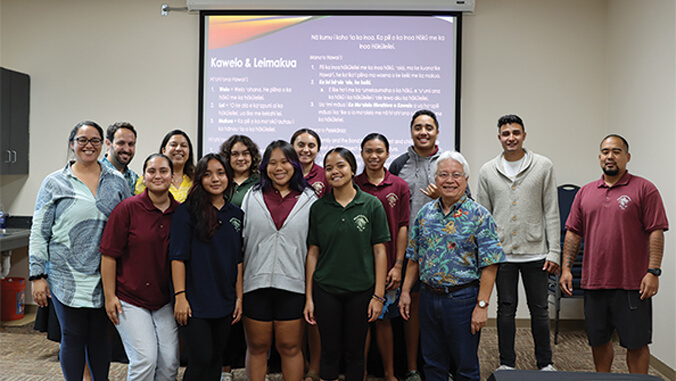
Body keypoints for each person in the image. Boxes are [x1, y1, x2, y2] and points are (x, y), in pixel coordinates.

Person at [29, 121, 129, 381]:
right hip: (65, 276)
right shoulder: (54, 183)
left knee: (99, 336)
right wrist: (37, 275)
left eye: (95, 140)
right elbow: (40, 230)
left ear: (103, 144)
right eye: (82, 140)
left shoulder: (117, 181)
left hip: (104, 275)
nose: (88, 146)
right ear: (72, 143)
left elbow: (128, 228)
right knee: (72, 336)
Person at [560, 134, 668, 374]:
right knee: (598, 341)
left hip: (632, 284)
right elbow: (573, 233)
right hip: (594, 282)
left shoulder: (645, 189)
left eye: (616, 151)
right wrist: (566, 268)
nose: (610, 156)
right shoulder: (585, 192)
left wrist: (653, 271)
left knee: (636, 343)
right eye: (606, 151)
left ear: (627, 157)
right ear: (600, 157)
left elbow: (656, 232)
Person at [399, 150, 505, 381]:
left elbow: (491, 264)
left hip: (463, 300)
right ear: (435, 179)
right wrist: (406, 291)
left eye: (456, 175)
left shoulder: (479, 215)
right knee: (432, 363)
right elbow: (414, 257)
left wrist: (482, 305)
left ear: (466, 179)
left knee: (465, 366)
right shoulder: (425, 214)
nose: (449, 180)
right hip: (428, 298)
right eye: (443, 175)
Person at [476, 114, 559, 372]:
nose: (511, 137)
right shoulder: (488, 170)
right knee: (506, 309)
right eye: (505, 133)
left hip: (536, 252)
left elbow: (551, 210)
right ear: (499, 137)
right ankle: (506, 363)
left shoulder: (543, 166)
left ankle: (545, 363)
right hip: (502, 255)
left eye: (515, 132)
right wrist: (484, 254)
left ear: (524, 135)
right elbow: (483, 216)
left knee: (540, 310)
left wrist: (554, 251)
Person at [304, 147, 389, 381]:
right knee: (329, 352)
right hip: (326, 289)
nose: (334, 171)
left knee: (355, 352)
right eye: (329, 168)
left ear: (352, 169)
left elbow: (380, 251)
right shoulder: (319, 208)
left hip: (361, 290)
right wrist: (309, 297)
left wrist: (378, 296)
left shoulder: (371, 205)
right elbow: (313, 253)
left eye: (340, 166)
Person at [241, 140, 318, 381]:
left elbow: (314, 249)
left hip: (294, 286)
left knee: (290, 347)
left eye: (285, 161)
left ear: (295, 164)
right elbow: (241, 243)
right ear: (264, 167)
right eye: (272, 162)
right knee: (257, 347)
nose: (279, 167)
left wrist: (309, 295)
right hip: (255, 284)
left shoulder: (310, 199)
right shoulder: (252, 196)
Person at [100, 153, 180, 381]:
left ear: (173, 177)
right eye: (151, 171)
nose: (157, 176)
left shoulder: (181, 213)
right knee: (145, 359)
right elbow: (108, 255)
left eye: (163, 171)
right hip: (129, 298)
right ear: (143, 177)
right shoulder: (127, 209)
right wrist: (109, 296)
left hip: (165, 299)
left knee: (170, 361)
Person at [170, 153, 244, 381]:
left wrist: (239, 297)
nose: (215, 179)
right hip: (194, 300)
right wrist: (180, 296)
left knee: (215, 360)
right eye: (208, 174)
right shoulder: (187, 212)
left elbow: (238, 260)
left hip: (224, 299)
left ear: (228, 177)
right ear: (199, 178)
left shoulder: (236, 214)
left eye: (220, 173)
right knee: (200, 359)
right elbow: (177, 257)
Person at [389, 109, 443, 381]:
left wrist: (442, 196)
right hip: (408, 253)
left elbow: (465, 200)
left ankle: (437, 367)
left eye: (429, 127)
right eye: (418, 127)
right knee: (409, 310)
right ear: (411, 131)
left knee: (436, 314)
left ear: (437, 131)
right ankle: (411, 369)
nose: (423, 132)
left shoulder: (448, 162)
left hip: (443, 255)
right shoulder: (399, 164)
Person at [354, 133, 411, 381]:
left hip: (387, 266)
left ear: (387, 154)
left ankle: (389, 374)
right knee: (360, 324)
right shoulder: (352, 183)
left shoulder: (399, 186)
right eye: (368, 151)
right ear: (362, 153)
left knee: (384, 321)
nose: (374, 156)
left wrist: (398, 265)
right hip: (357, 267)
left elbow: (402, 227)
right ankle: (361, 373)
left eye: (379, 151)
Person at [291, 128, 328, 381]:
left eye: (311, 145)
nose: (305, 149)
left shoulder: (326, 176)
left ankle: (314, 367)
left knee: (314, 313)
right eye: (300, 144)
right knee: (293, 313)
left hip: (318, 251)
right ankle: (298, 361)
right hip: (290, 251)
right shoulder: (283, 172)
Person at [135, 129, 195, 202]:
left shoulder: (195, 180)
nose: (179, 149)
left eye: (184, 145)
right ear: (163, 150)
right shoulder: (148, 180)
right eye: (173, 145)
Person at [220, 134, 262, 208]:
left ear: (252, 156)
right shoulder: (222, 181)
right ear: (227, 157)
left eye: (245, 153)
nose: (240, 158)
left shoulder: (260, 182)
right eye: (235, 154)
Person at [291, 128, 329, 198]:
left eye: (311, 146)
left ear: (318, 149)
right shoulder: (284, 173)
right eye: (301, 145)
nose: (305, 150)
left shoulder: (325, 175)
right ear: (292, 147)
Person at [102, 122, 138, 193]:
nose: (126, 149)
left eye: (131, 144)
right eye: (121, 143)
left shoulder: (134, 179)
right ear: (108, 144)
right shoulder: (96, 173)